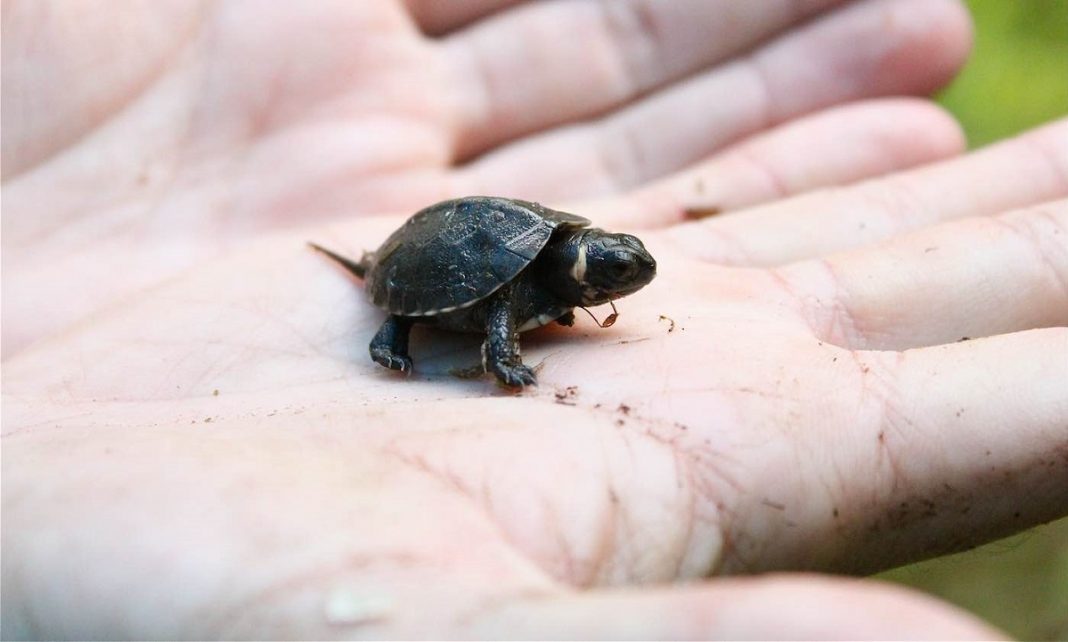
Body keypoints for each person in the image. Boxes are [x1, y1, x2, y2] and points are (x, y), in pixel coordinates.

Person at [2, 1, 1063, 637]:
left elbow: (580, 268)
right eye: (614, 271)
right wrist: (487, 355)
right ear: (582, 265)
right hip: (431, 256)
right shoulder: (522, 276)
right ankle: (389, 332)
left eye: (620, 269)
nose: (621, 279)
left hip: (496, 239)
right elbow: (500, 301)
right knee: (432, 321)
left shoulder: (574, 250)